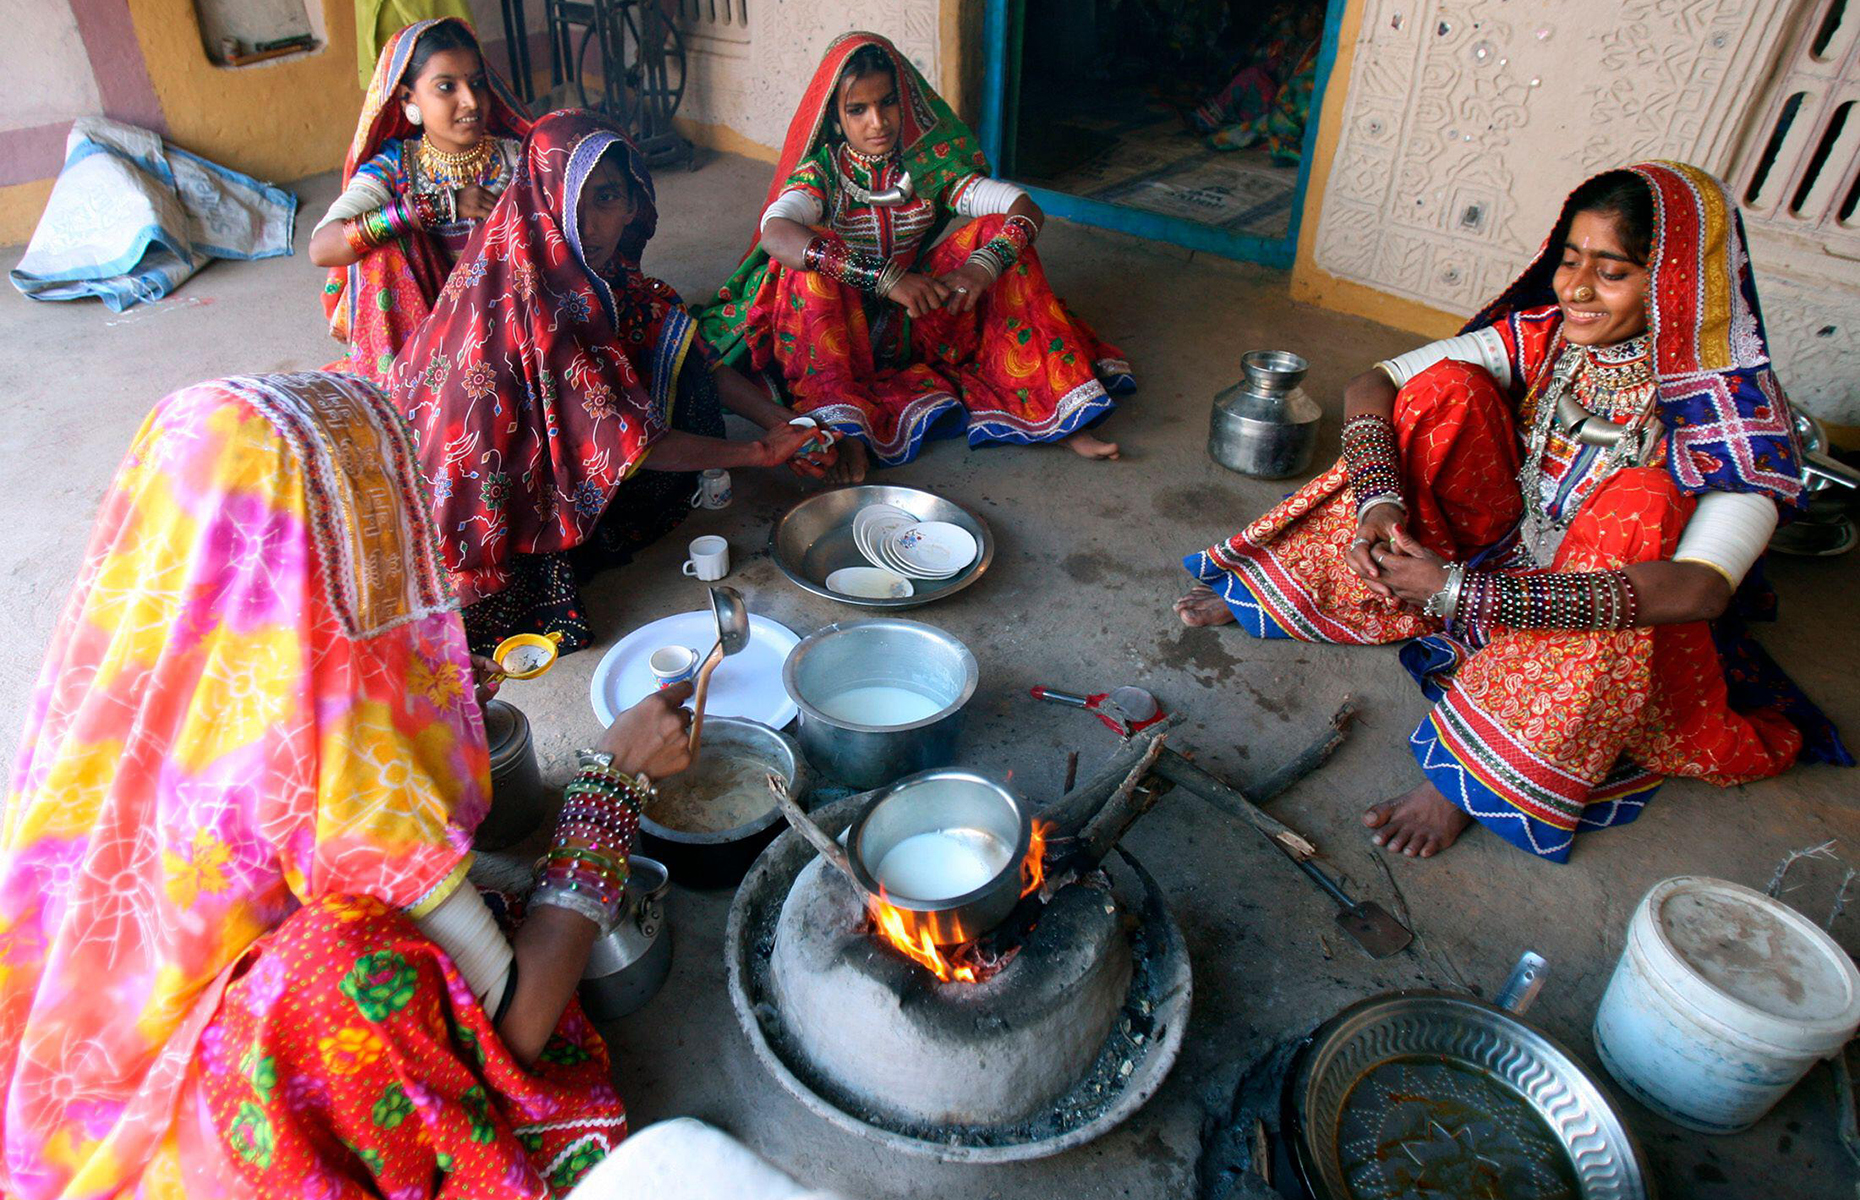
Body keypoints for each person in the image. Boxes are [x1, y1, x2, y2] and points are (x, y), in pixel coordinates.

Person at [0, 371, 698, 1200]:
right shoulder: (359, 782)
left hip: (67, 1112)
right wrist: (612, 787)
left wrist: (422, 698)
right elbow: (518, 1025)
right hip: (200, 1153)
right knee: (345, 964)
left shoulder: (117, 699)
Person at [1176, 162, 1849, 863]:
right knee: (1446, 390)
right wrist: (1380, 499)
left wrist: (1461, 592)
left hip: (1620, 611)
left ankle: (1471, 777)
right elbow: (1373, 381)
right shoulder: (1549, 334)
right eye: (1568, 260)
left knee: (1642, 499)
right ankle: (1329, 589)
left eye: (1610, 271)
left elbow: (1701, 590)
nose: (1576, 288)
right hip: (1505, 545)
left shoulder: (1735, 413)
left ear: (1674, 282)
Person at [390, 110, 827, 655]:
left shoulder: (593, 272)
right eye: (573, 199)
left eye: (607, 198)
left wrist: (778, 418)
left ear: (633, 202)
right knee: (535, 610)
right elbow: (628, 443)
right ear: (540, 197)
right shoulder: (533, 300)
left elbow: (693, 355)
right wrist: (761, 452)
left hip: (543, 446)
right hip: (472, 512)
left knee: (659, 320)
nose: (591, 222)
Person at [695, 31, 1133, 474]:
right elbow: (776, 232)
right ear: (834, 119)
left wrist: (983, 267)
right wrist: (884, 278)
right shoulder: (822, 174)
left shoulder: (928, 166)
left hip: (919, 319)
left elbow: (1023, 208)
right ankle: (845, 428)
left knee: (1002, 237)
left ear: (904, 103)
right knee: (808, 262)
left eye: (887, 103)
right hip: (836, 333)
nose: (877, 122)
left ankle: (1053, 413)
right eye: (857, 110)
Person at [310, 18, 531, 382]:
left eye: (477, 83)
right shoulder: (395, 166)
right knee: (382, 248)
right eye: (446, 87)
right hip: (424, 339)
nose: (471, 101)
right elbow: (323, 248)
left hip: (510, 324)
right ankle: (405, 394)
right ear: (408, 99)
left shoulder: (517, 158)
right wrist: (438, 206)